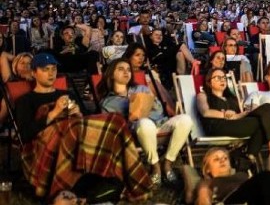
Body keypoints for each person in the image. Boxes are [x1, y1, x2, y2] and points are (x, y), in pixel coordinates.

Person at [15, 53, 151, 201]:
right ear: (34, 73)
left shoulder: (67, 94)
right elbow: (25, 134)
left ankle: (126, 178)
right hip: (53, 143)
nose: (51, 73)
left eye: (53, 69)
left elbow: (88, 120)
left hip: (80, 140)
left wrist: (78, 113)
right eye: (45, 69)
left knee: (116, 120)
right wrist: (54, 112)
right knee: (70, 129)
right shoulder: (26, 100)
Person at [98, 59, 193, 186]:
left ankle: (168, 162)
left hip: (160, 126)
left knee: (185, 119)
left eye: (128, 69)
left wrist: (153, 104)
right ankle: (155, 166)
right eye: (121, 69)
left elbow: (160, 112)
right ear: (111, 74)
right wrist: (130, 115)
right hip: (137, 133)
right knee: (144, 123)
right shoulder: (107, 103)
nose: (126, 72)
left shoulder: (142, 89)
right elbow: (111, 128)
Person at [196, 67, 270, 162]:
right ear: (209, 82)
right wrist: (225, 114)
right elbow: (205, 112)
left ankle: (249, 156)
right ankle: (252, 154)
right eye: (218, 78)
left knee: (267, 108)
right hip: (217, 126)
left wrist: (242, 114)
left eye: (224, 78)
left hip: (235, 124)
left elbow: (237, 117)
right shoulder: (203, 95)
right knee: (262, 122)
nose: (222, 80)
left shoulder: (232, 99)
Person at [192, 147, 270, 205]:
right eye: (216, 159)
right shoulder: (208, 182)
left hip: (254, 199)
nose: (222, 161)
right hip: (234, 200)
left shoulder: (241, 174)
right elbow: (203, 196)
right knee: (266, 176)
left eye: (225, 158)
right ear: (207, 169)